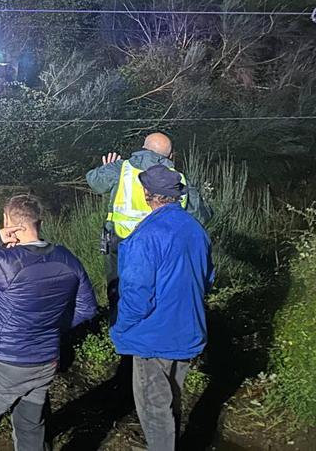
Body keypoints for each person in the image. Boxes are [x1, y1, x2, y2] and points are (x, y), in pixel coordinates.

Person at [0, 194, 98, 451]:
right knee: (31, 428)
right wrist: (49, 326)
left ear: (8, 221)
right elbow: (87, 308)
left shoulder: (7, 263)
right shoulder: (67, 259)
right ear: (39, 222)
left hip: (2, 363)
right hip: (44, 361)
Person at [111, 165, 214, 450]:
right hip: (187, 331)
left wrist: (120, 328)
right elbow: (207, 279)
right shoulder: (196, 229)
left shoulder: (145, 236)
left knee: (155, 410)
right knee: (173, 399)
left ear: (148, 194)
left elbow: (137, 295)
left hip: (153, 340)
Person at [85, 132, 210, 319]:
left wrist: (107, 168)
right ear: (171, 156)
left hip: (120, 242)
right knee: (160, 292)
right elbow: (202, 215)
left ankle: (119, 325)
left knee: (120, 294)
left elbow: (94, 181)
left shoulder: (121, 168)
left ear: (143, 148)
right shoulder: (178, 179)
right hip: (164, 245)